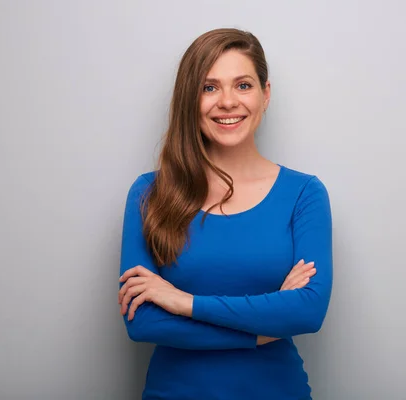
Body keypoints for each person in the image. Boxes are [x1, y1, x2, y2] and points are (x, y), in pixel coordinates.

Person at [118, 28, 333, 400]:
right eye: (209, 87)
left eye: (244, 85)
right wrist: (265, 327)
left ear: (266, 95)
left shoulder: (304, 194)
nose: (228, 102)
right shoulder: (149, 192)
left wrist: (183, 302)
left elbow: (307, 312)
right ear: (190, 99)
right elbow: (144, 322)